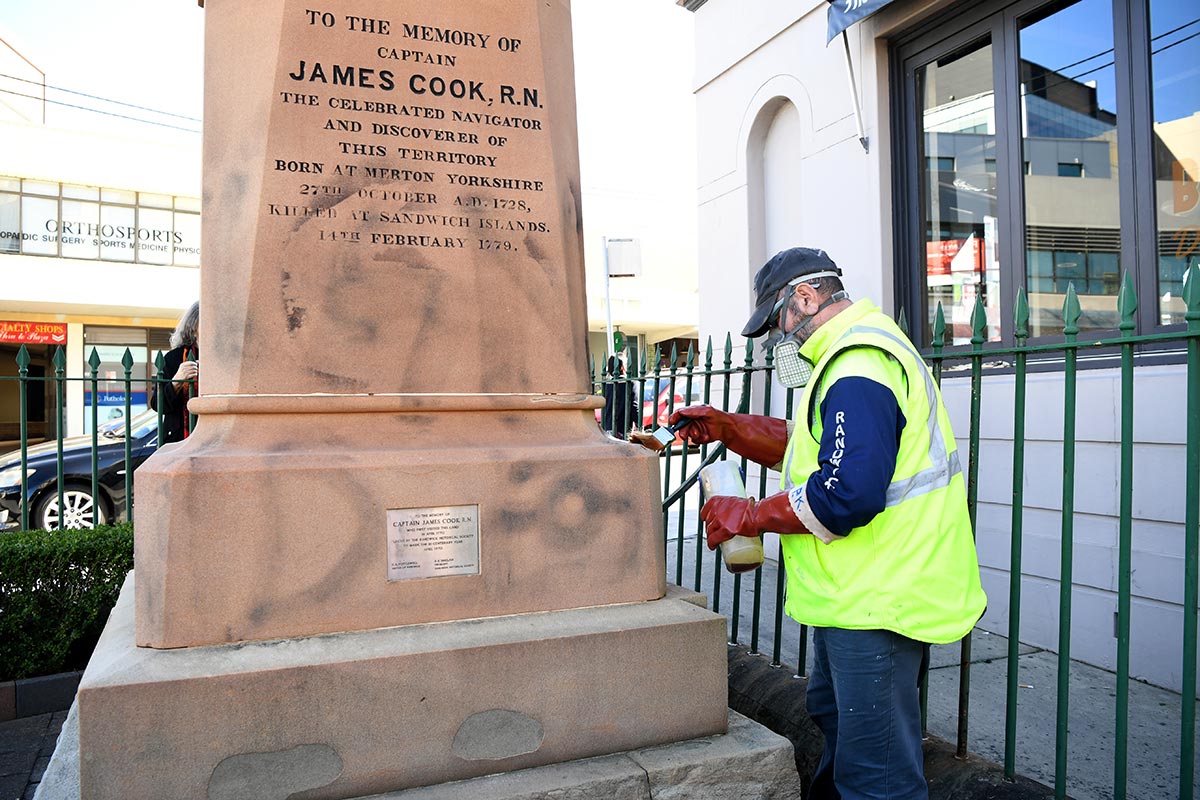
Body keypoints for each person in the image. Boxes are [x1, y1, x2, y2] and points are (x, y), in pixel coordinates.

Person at [670, 247, 986, 800]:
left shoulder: (858, 365)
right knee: (832, 717)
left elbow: (845, 493)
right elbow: (813, 450)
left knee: (876, 776)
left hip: (881, 599)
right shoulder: (848, 358)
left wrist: (747, 515)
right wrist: (729, 427)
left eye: (776, 325)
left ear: (805, 298)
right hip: (858, 596)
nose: (776, 341)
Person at [151, 301, 199, 444]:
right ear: (193, 326)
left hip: (216, 438)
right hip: (179, 439)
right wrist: (177, 381)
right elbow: (157, 405)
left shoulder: (225, 359)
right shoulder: (174, 358)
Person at [600, 355, 639, 440]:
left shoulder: (606, 385)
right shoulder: (630, 383)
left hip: (608, 428)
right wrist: (638, 423)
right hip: (623, 428)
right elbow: (634, 406)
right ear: (622, 367)